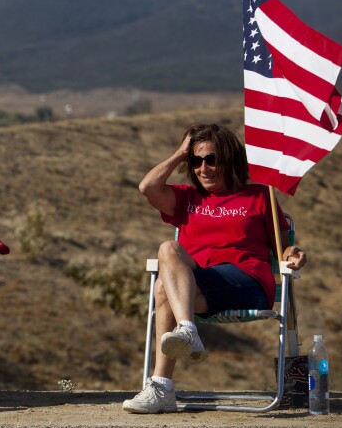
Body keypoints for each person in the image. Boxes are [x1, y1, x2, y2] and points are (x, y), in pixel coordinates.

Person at [122, 123, 307, 414]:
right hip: (200, 288)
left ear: (230, 160)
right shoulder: (187, 198)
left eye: (212, 159)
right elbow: (148, 187)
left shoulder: (260, 196)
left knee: (163, 288)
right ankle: (184, 337)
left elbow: (282, 249)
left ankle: (161, 386)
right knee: (168, 252)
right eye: (196, 161)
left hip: (248, 283)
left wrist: (292, 254)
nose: (203, 168)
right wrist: (180, 153)